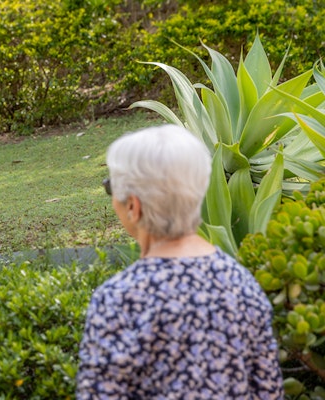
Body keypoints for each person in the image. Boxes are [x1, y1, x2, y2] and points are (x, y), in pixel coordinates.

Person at [76, 125, 283, 399]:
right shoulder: (243, 285)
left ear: (133, 206)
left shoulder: (118, 300)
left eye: (111, 187)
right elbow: (269, 391)